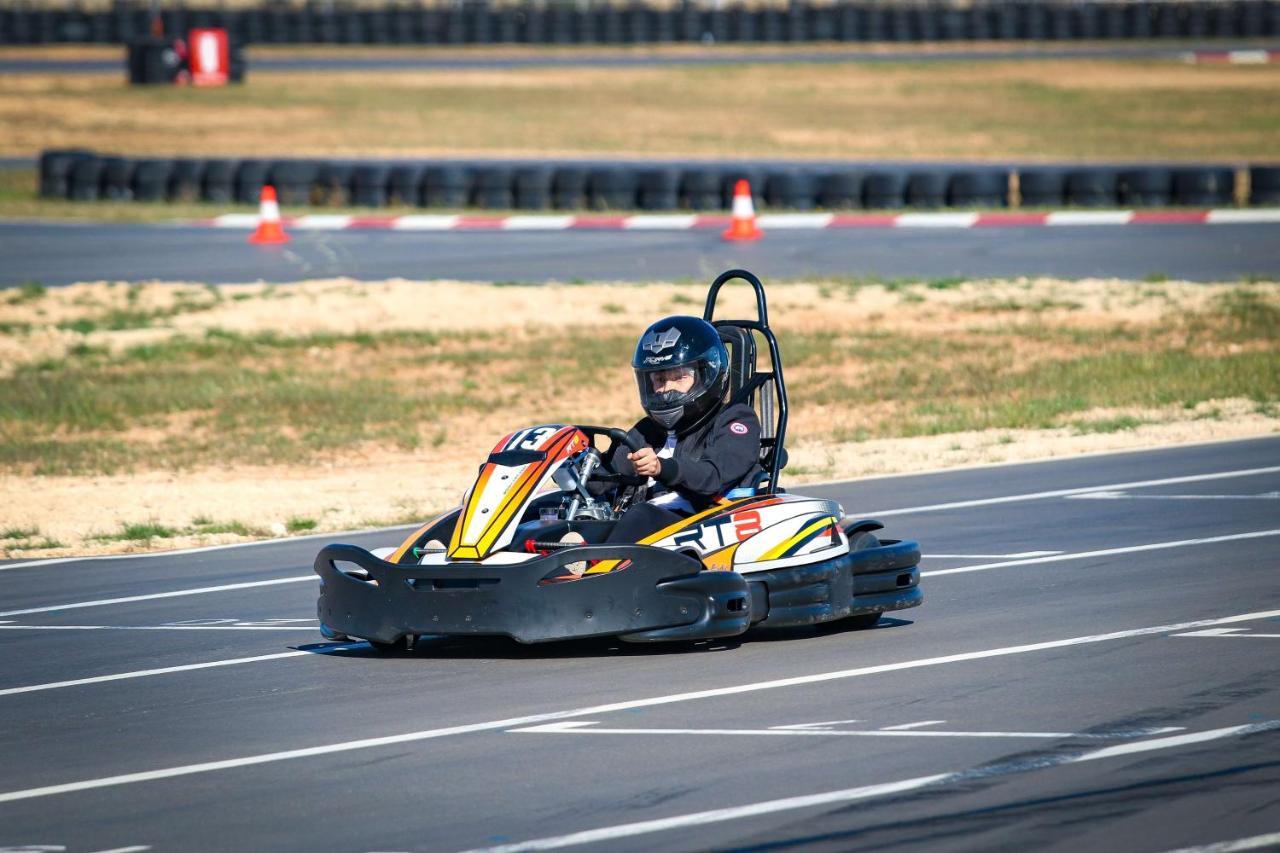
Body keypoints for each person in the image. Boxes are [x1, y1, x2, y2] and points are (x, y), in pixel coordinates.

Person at [605, 315, 763, 543]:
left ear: (706, 375)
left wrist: (662, 468)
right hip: (642, 529)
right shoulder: (647, 430)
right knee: (558, 507)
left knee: (640, 516)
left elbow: (712, 477)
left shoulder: (737, 420)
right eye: (659, 379)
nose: (665, 390)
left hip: (701, 522)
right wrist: (573, 463)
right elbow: (605, 478)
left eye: (678, 378)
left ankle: (596, 571)